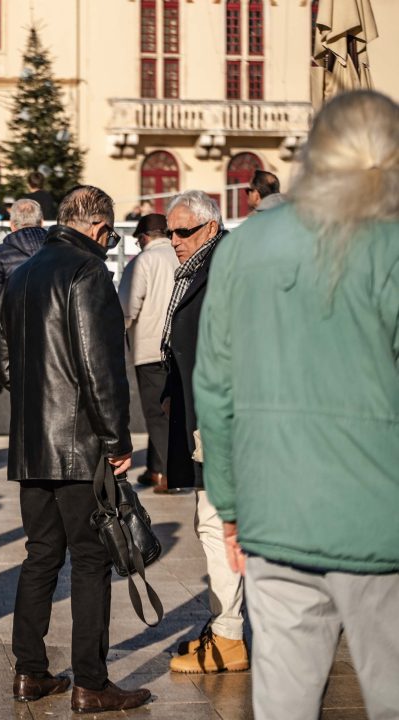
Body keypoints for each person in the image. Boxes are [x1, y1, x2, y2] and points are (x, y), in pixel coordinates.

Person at [197, 90, 399, 720]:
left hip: (275, 509)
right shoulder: (391, 243)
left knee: (283, 704)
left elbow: (215, 386)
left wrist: (229, 504)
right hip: (380, 510)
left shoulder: (245, 244)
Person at [0, 186, 150, 711]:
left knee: (40, 555)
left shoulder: (21, 273)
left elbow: (6, 366)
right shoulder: (88, 273)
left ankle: (29, 672)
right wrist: (116, 437)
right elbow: (99, 365)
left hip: (32, 441)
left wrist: (38, 405)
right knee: (89, 560)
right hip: (80, 444)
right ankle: (91, 681)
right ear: (102, 229)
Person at [159, 190, 247, 674]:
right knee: (210, 523)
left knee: (217, 524)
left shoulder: (224, 268)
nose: (174, 240)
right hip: (209, 414)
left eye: (184, 231)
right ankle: (225, 627)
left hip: (223, 420)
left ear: (210, 228)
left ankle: (230, 635)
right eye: (170, 230)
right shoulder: (204, 267)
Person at [117, 214, 178, 491]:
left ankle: (169, 474)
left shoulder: (143, 261)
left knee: (156, 414)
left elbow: (127, 308)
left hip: (150, 349)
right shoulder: (181, 255)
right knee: (172, 410)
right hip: (180, 349)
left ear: (143, 238)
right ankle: (155, 468)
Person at [0, 199, 46, 361]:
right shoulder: (60, 251)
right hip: (54, 336)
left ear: (12, 224)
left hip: (13, 336)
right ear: (41, 222)